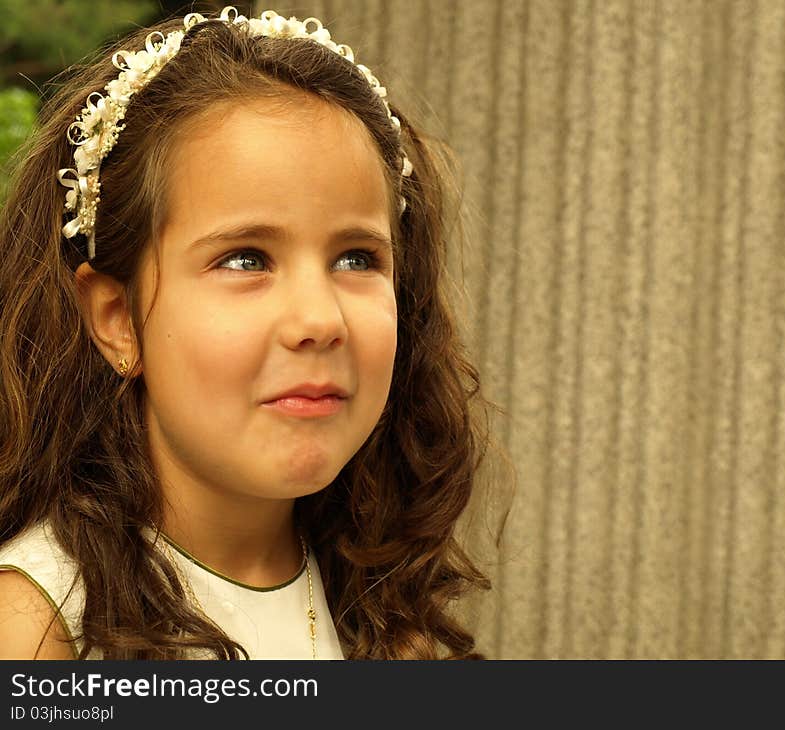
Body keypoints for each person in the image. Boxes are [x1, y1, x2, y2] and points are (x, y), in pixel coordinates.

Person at [0, 6, 497, 660]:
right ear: (117, 320)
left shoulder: (383, 615)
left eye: (357, 259)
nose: (320, 321)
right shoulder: (39, 624)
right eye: (246, 260)